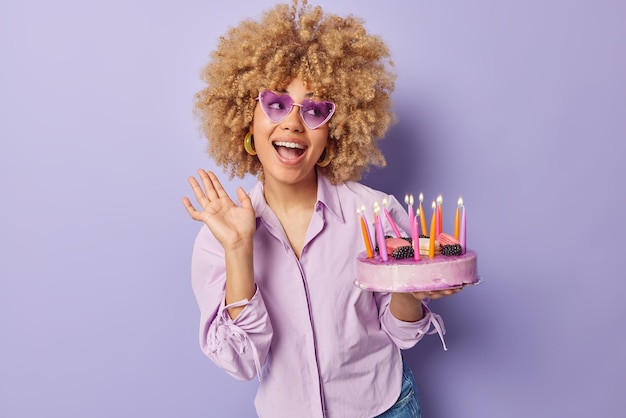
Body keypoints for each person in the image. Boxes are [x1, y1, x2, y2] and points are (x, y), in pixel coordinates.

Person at [182, 1, 459, 416]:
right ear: (246, 120)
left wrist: (409, 292)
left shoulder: (376, 213)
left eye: (315, 110)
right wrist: (239, 249)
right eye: (276, 104)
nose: (293, 123)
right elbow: (240, 362)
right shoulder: (218, 238)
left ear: (334, 132)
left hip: (386, 408)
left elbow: (403, 334)